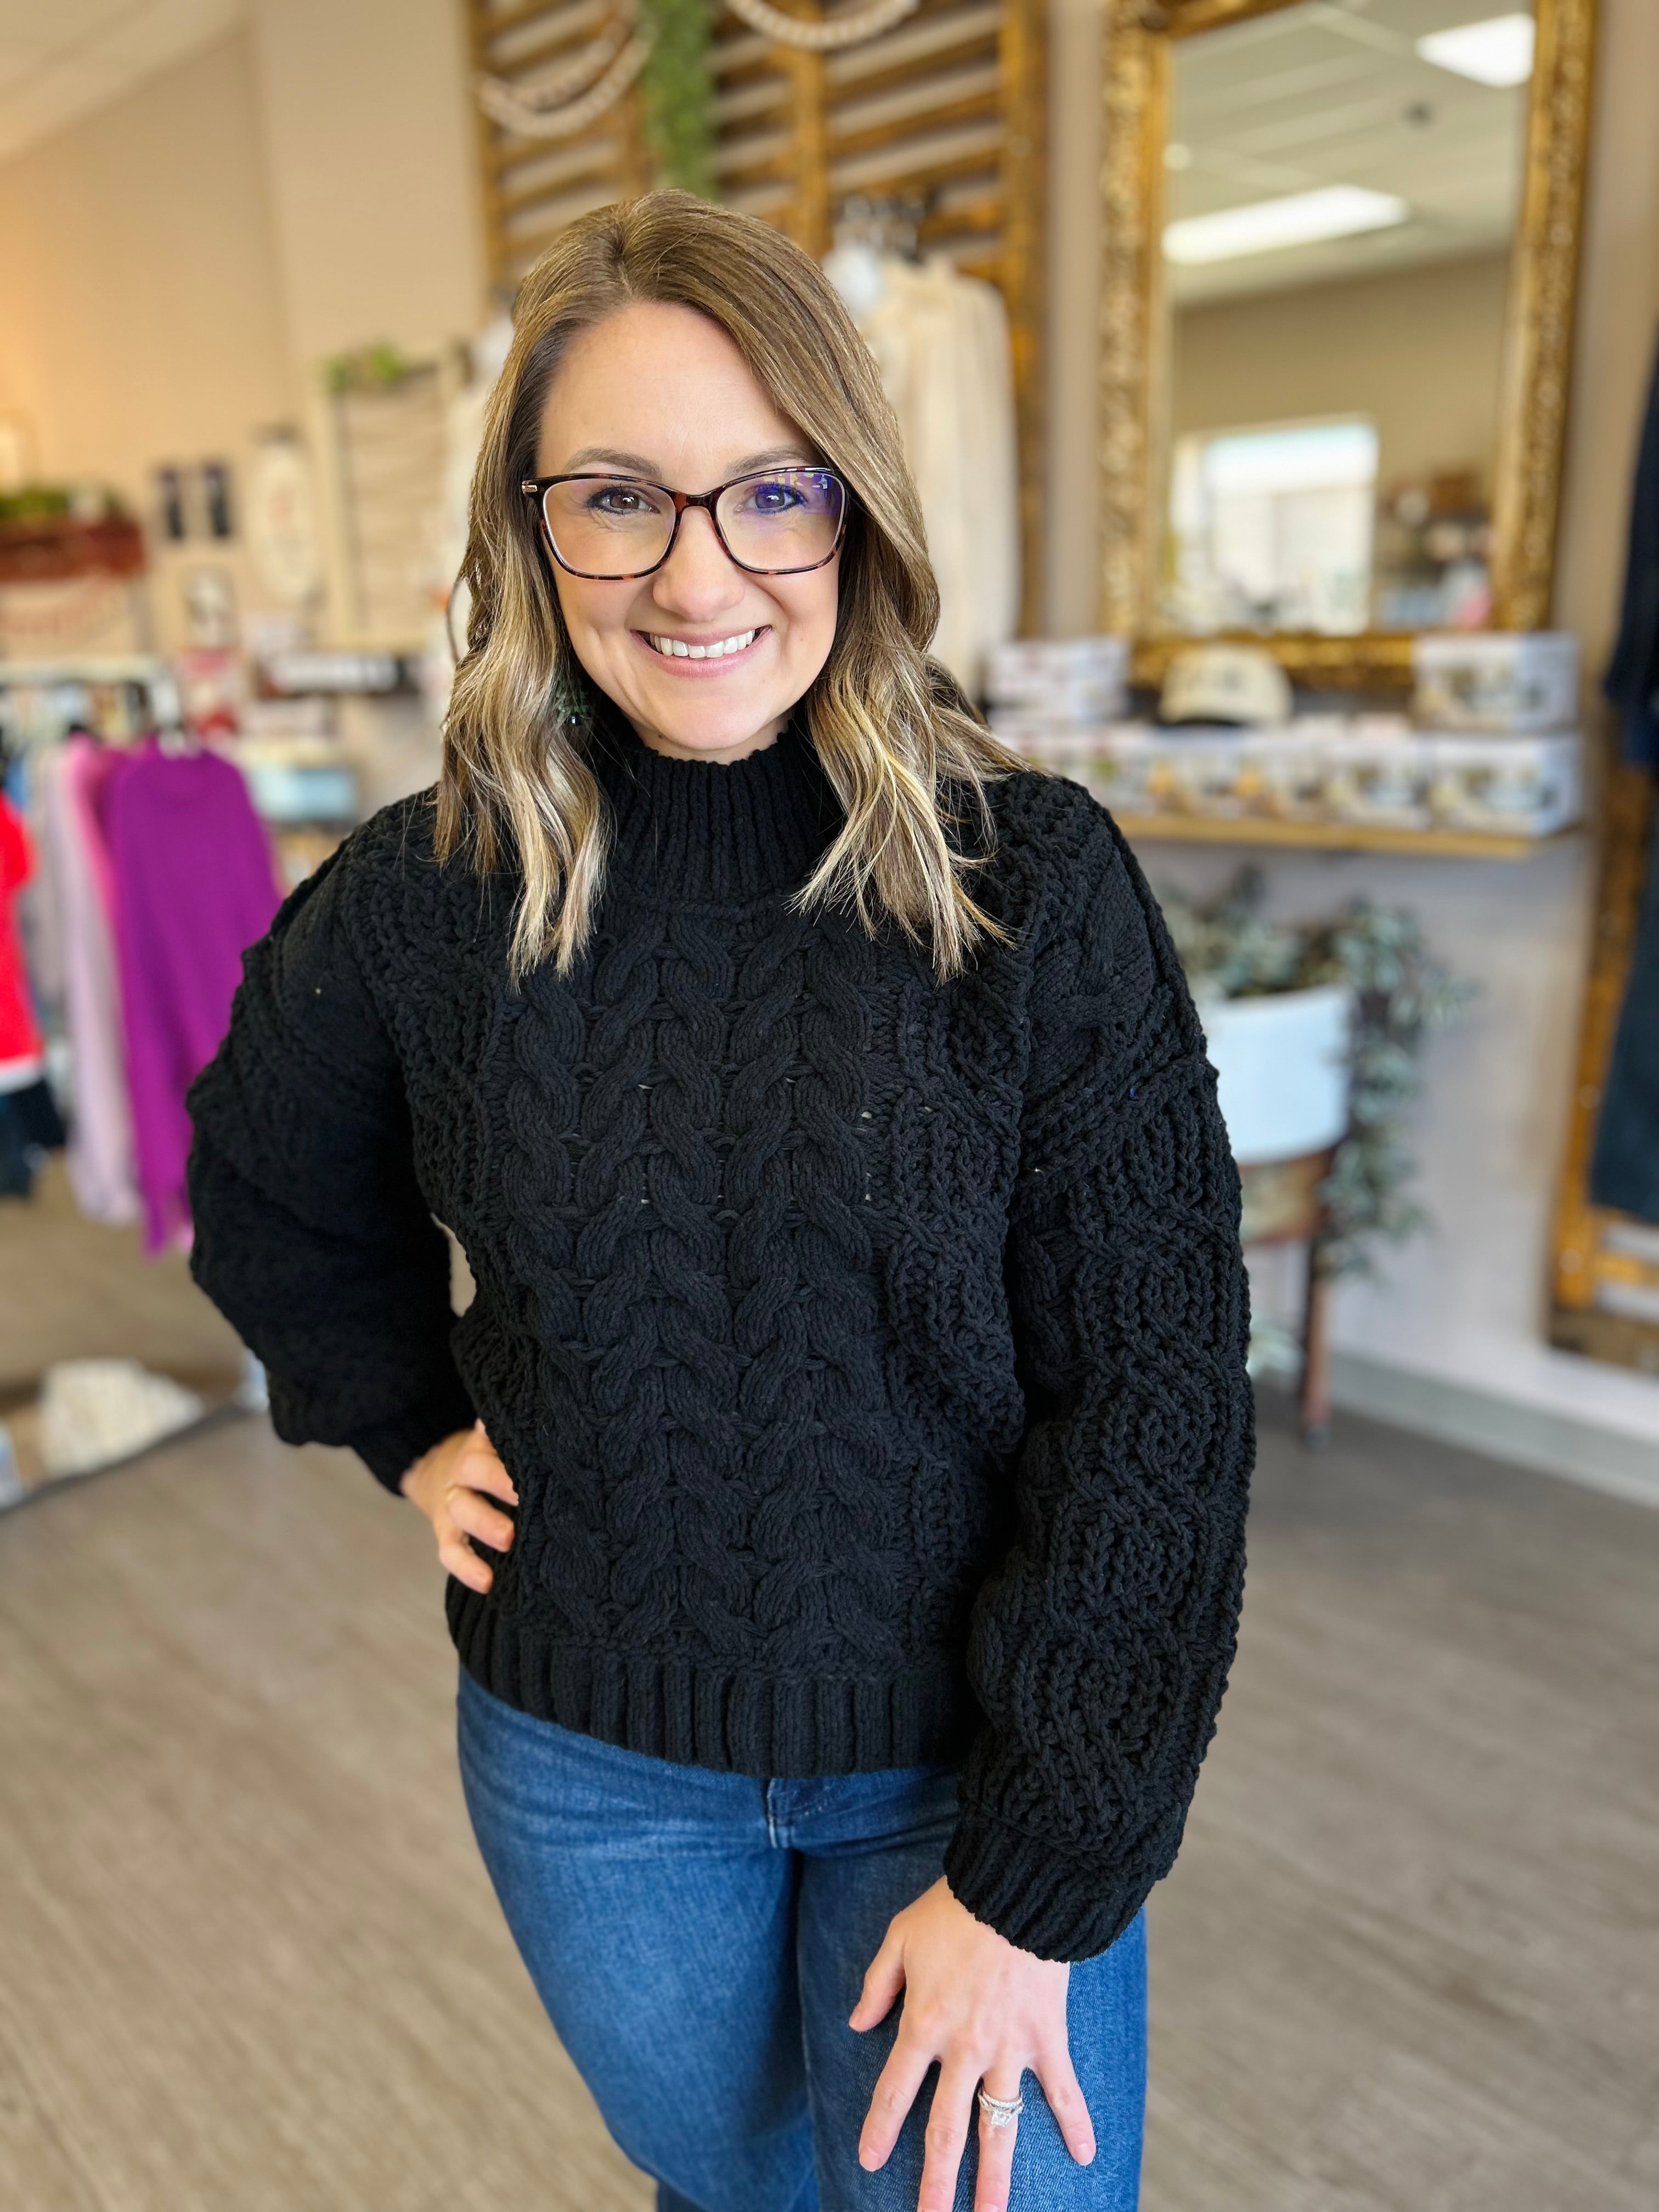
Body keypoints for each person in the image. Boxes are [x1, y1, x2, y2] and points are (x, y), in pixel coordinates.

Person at [185, 190, 1254, 2212]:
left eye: (772, 491)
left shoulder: (1030, 884)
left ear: (855, 512)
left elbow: (1158, 1406)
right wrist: (400, 1419)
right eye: (618, 497)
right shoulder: (430, 897)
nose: (699, 574)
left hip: (966, 1770)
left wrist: (1033, 1882)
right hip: (596, 1773)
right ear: (530, 530)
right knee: (734, 2196)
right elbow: (259, 1175)